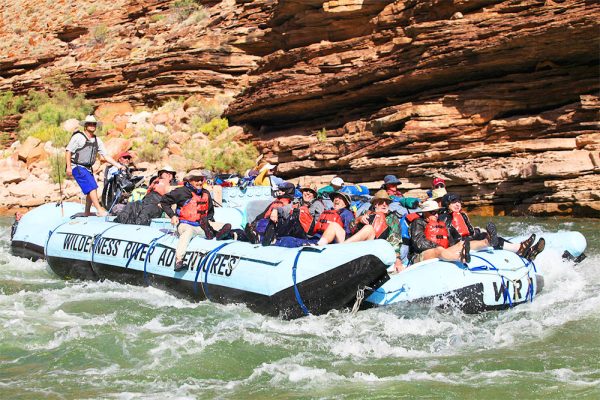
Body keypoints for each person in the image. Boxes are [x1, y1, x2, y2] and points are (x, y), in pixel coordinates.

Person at [159, 171, 231, 272]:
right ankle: (179, 260)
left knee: (225, 226)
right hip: (185, 224)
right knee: (188, 232)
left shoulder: (206, 193)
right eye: (197, 180)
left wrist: (210, 223)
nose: (200, 182)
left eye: (201, 180)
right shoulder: (181, 192)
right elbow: (164, 201)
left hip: (202, 225)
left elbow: (210, 212)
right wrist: (173, 216)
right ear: (189, 180)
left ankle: (220, 234)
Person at [439, 193, 545, 259]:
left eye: (458, 202)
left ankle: (525, 250)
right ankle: (522, 250)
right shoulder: (444, 218)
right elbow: (448, 237)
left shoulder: (462, 215)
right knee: (488, 238)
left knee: (489, 236)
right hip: (458, 244)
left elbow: (470, 231)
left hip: (468, 238)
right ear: (447, 204)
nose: (458, 204)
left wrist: (476, 231)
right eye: (454, 202)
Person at [65, 115, 124, 217]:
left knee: (92, 188)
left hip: (88, 168)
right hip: (77, 166)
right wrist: (69, 167)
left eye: (94, 124)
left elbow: (105, 155)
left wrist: (118, 165)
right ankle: (99, 210)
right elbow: (68, 151)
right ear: (85, 125)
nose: (92, 126)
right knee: (92, 187)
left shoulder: (97, 140)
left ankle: (87, 212)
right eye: (90, 124)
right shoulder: (78, 137)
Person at [344, 190, 405, 272]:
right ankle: (337, 249)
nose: (384, 204)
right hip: (359, 245)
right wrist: (358, 219)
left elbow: (395, 240)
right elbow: (351, 229)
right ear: (375, 204)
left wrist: (397, 259)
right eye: (381, 202)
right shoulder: (366, 213)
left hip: (378, 249)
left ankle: (342, 248)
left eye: (387, 202)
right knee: (334, 226)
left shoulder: (392, 218)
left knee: (369, 228)